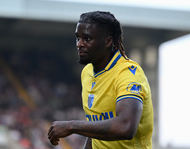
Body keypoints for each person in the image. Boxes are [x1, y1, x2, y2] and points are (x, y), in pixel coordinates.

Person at [48, 11, 153, 149]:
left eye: (87, 39)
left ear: (108, 41)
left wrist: (71, 126)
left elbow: (125, 126)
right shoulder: (87, 73)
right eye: (78, 38)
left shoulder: (128, 73)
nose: (79, 44)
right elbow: (95, 129)